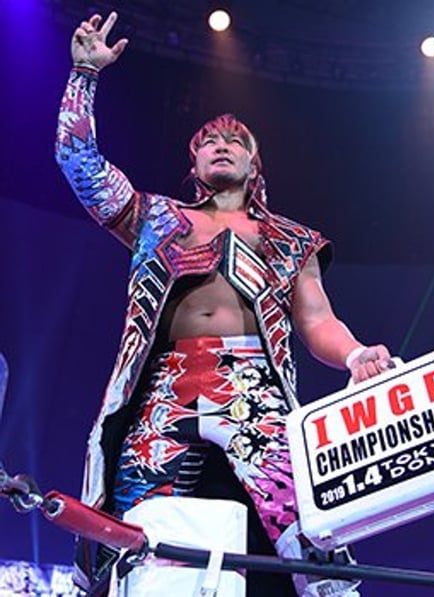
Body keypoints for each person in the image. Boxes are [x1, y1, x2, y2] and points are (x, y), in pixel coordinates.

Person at [56, 12, 394, 596]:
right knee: (132, 538)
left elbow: (316, 318)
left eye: (235, 141)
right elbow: (79, 164)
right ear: (195, 165)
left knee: (313, 529)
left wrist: (358, 354)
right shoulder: (156, 218)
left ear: (253, 163)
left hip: (254, 390)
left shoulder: (290, 238)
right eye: (210, 140)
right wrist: (84, 72)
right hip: (165, 387)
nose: (221, 145)